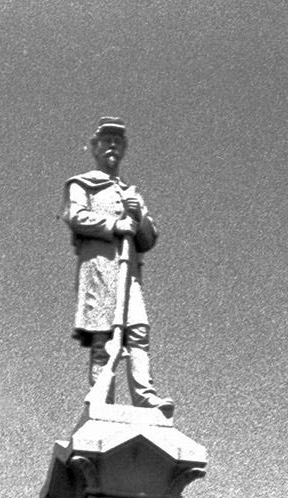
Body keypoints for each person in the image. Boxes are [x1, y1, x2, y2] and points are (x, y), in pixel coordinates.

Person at [67, 119, 170, 416]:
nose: (112, 144)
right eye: (106, 139)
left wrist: (137, 218)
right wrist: (115, 224)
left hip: (129, 274)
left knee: (138, 331)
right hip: (99, 269)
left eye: (118, 140)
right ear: (95, 146)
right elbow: (76, 216)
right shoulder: (82, 184)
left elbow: (149, 238)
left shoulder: (131, 192)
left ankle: (145, 396)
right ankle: (102, 401)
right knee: (102, 338)